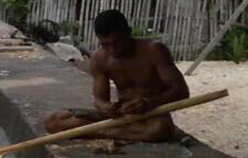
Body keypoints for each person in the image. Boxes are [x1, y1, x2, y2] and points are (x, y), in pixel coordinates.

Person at [44, 9, 189, 143]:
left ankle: (96, 131)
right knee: (53, 121)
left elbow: (181, 91)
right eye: (105, 44)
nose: (112, 49)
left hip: (149, 115)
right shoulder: (99, 58)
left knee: (160, 129)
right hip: (119, 116)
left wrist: (148, 103)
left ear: (128, 33)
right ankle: (113, 132)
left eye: (117, 42)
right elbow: (100, 100)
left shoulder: (154, 51)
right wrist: (107, 107)